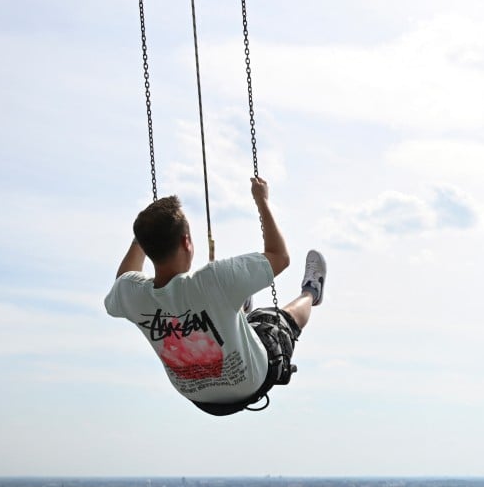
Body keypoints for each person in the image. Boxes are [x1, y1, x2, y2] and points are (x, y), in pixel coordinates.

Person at [105, 176, 325, 414]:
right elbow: (279, 257)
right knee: (275, 320)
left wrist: (145, 235)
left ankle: (238, 305)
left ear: (146, 248)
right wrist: (262, 200)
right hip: (249, 382)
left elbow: (123, 279)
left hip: (196, 394)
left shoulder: (133, 295)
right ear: (187, 241)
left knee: (222, 307)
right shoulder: (213, 279)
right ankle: (312, 291)